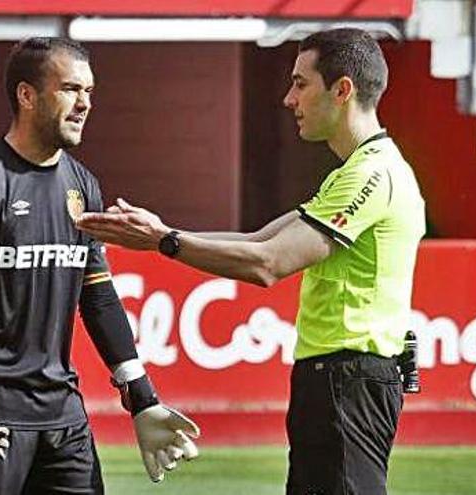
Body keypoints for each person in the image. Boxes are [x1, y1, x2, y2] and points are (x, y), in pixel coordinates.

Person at [77, 28, 426, 495]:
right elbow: (258, 238)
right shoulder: (360, 170)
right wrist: (158, 235)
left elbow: (268, 262)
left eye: (301, 83)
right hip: (338, 379)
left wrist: (163, 241)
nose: (288, 98)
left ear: (342, 90)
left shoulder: (370, 174)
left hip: (349, 379)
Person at [0, 37, 200, 495]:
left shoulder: (83, 185)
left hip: (61, 415)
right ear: (26, 95)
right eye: (71, 89)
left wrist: (142, 396)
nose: (85, 104)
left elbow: (97, 296)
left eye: (89, 92)